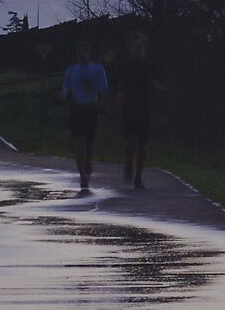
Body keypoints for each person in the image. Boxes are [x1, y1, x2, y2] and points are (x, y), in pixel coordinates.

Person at [59, 37, 108, 192]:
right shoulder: (71, 70)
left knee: (89, 142)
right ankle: (82, 175)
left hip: (91, 108)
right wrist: (65, 96)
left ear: (89, 53)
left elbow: (103, 90)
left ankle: (87, 163)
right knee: (79, 141)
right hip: (77, 108)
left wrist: (93, 89)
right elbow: (65, 88)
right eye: (79, 52)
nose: (81, 54)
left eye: (84, 51)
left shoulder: (97, 69)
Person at [112, 31, 154, 191]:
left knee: (143, 145)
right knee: (130, 142)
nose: (138, 49)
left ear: (145, 47)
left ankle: (139, 176)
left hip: (144, 108)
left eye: (140, 46)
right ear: (130, 48)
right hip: (129, 107)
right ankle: (129, 162)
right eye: (135, 46)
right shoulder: (124, 65)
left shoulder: (149, 66)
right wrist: (119, 96)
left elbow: (154, 83)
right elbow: (117, 84)